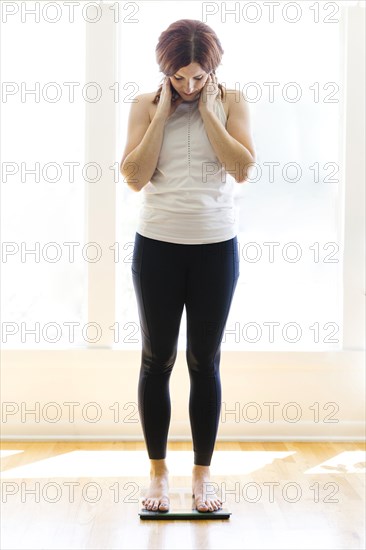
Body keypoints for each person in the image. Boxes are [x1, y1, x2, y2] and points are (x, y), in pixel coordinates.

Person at [120, 19, 256, 513]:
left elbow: (241, 169)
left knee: (205, 361)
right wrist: (161, 116)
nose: (190, 87)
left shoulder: (233, 102)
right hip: (157, 245)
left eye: (199, 77)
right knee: (157, 361)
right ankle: (157, 476)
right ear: (165, 72)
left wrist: (211, 116)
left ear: (213, 71)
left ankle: (202, 478)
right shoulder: (144, 105)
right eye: (180, 78)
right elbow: (134, 177)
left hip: (215, 247)